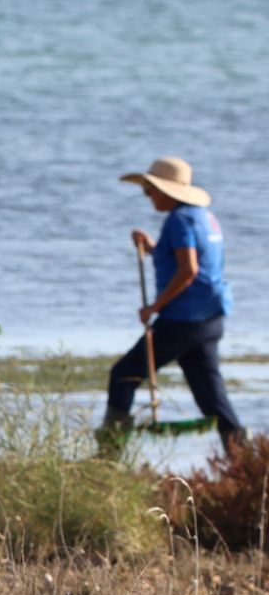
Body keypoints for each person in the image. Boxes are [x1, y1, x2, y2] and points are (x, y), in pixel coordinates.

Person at [101, 157, 244, 447]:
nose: (148, 196)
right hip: (210, 318)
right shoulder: (203, 216)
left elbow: (189, 271)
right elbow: (193, 263)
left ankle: (109, 454)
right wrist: (154, 248)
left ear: (167, 191)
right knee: (211, 396)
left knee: (123, 375)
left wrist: (154, 307)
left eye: (150, 190)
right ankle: (246, 466)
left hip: (184, 321)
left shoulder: (179, 220)